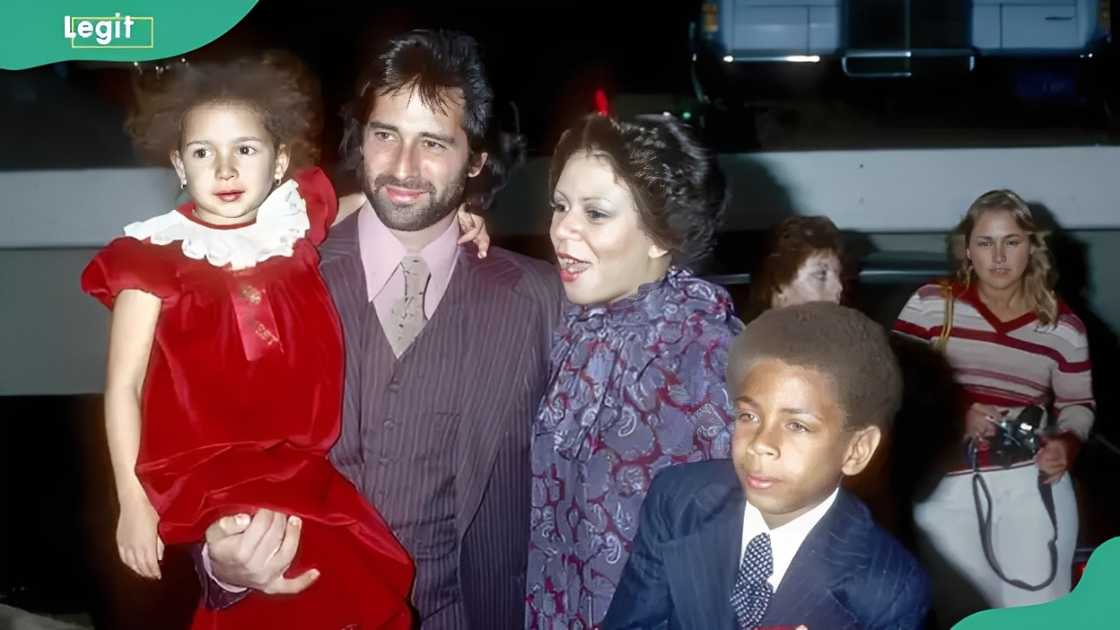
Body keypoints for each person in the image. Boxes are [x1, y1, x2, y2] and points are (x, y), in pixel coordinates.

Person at [197, 30, 563, 630]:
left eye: (434, 144)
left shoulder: (538, 301)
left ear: (476, 159)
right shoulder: (272, 276)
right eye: (385, 135)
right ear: (359, 142)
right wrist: (221, 564)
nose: (403, 167)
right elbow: (200, 442)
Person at [80, 52, 415, 628]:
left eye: (246, 149)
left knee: (339, 589)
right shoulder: (151, 256)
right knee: (262, 596)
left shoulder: (293, 220)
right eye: (203, 152)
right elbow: (123, 388)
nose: (226, 169)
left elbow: (365, 208)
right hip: (211, 472)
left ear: (280, 160)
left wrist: (455, 219)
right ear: (180, 167)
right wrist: (133, 504)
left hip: (299, 464)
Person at [526, 113, 743, 628]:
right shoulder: (573, 326)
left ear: (660, 236)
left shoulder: (710, 356)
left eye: (595, 213)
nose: (561, 229)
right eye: (560, 206)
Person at [603, 302, 931, 629]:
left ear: (857, 450)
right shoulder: (679, 501)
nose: (760, 443)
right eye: (749, 416)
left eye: (797, 426)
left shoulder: (888, 587)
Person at [893, 190, 1092, 624]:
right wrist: (955, 411)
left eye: (1012, 242)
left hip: (1030, 482)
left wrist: (1068, 442)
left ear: (1032, 246)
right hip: (945, 485)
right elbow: (894, 383)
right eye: (985, 243)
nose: (998, 256)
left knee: (1040, 615)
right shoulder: (931, 305)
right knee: (962, 615)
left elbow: (1078, 403)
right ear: (967, 249)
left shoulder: (1064, 327)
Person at [747, 215, 846, 318]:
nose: (839, 288)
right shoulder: (752, 333)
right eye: (821, 275)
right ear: (779, 285)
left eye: (839, 276)